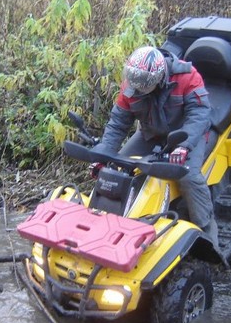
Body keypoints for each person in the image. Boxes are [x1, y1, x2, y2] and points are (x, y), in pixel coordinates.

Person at [91, 46, 218, 243]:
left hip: (187, 134)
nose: (136, 89)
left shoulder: (187, 76)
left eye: (143, 87)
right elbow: (117, 124)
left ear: (157, 79)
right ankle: (111, 223)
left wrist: (184, 145)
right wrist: (102, 158)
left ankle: (206, 230)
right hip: (150, 133)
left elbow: (199, 114)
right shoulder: (132, 84)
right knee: (118, 167)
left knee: (189, 176)